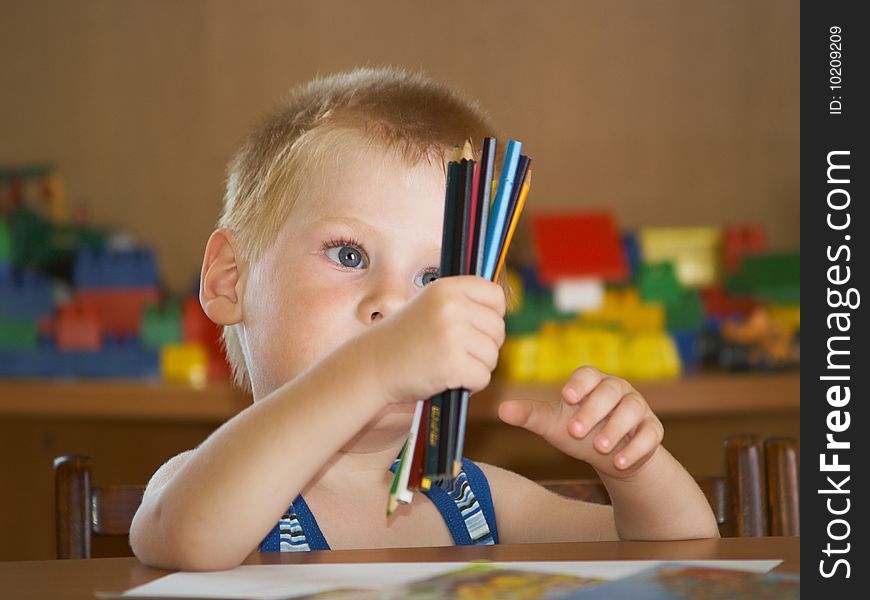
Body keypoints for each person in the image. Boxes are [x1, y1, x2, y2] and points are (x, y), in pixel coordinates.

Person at [129, 67, 719, 571]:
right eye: (349, 255)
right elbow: (192, 538)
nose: (393, 309)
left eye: (433, 280)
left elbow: (680, 552)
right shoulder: (207, 488)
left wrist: (630, 465)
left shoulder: (474, 499)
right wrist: (373, 368)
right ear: (229, 279)